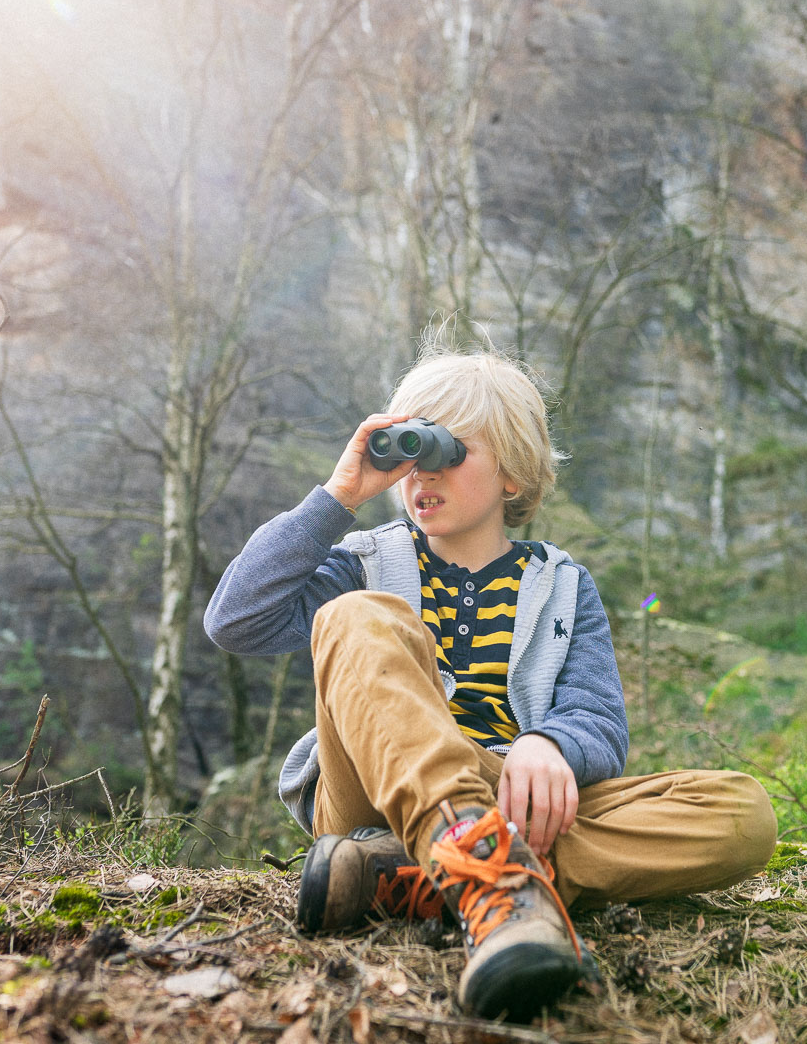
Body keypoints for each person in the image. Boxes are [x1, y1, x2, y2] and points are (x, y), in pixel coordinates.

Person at [204, 346, 777, 1020]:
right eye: (407, 452)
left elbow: (599, 719)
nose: (422, 473)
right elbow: (236, 619)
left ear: (512, 474)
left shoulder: (563, 585)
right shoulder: (362, 564)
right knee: (357, 618)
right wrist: (339, 496)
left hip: (507, 790)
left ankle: (403, 876)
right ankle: (492, 882)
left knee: (742, 814)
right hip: (370, 793)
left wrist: (549, 745)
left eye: (447, 451)